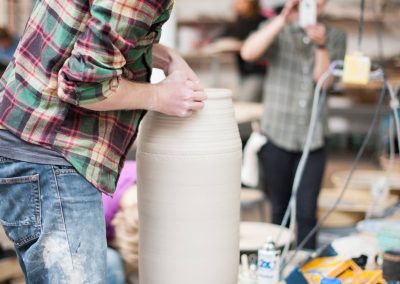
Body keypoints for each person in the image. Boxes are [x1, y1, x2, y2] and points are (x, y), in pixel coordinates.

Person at [0, 0, 206, 282]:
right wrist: (160, 96)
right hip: (50, 151)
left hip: (30, 140)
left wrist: (165, 57)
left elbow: (85, 37)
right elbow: (84, 84)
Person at [241, 0, 346, 249]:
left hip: (313, 137)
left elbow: (325, 81)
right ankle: (277, 267)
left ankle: (305, 270)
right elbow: (248, 52)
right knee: (278, 209)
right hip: (276, 133)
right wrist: (281, 19)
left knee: (307, 211)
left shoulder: (337, 36)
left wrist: (321, 46)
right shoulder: (277, 28)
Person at [216, 0, 267, 102]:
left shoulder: (262, 22)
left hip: (257, 72)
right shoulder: (238, 21)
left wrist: (241, 45)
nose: (237, 4)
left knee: (246, 104)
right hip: (243, 73)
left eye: (241, 2)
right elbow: (221, 36)